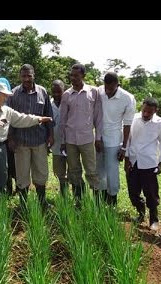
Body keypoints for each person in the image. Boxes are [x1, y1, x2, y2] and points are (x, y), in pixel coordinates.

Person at [0, 82, 53, 199]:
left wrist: (38, 119)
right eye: (4, 95)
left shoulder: (7, 111)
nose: (6, 98)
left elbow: (22, 118)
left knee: (1, 177)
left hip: (1, 148)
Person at [8, 64, 54, 208]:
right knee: (22, 175)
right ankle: (23, 204)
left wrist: (51, 135)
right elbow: (9, 118)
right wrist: (10, 138)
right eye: (24, 76)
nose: (27, 79)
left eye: (29, 75)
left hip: (39, 139)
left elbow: (49, 115)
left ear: (34, 75)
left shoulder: (42, 92)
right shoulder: (14, 93)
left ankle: (42, 202)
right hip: (20, 142)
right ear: (20, 76)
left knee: (41, 173)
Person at [60, 64, 102, 204]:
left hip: (87, 139)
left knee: (91, 171)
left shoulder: (93, 92)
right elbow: (63, 119)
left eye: (76, 76)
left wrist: (98, 138)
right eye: (71, 75)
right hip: (71, 140)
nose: (73, 78)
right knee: (74, 171)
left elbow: (98, 117)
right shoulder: (66, 94)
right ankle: (79, 201)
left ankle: (97, 203)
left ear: (83, 76)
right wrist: (62, 141)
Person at [124, 98, 161, 231]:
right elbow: (127, 138)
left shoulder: (160, 123)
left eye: (149, 112)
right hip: (133, 160)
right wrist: (126, 159)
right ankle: (141, 213)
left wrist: (160, 163)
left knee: (151, 193)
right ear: (141, 107)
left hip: (149, 162)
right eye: (144, 110)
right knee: (133, 191)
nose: (146, 114)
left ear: (155, 111)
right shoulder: (134, 118)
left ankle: (154, 219)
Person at [96, 71, 136, 205]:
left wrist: (124, 147)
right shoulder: (99, 91)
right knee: (99, 171)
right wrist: (97, 138)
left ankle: (112, 201)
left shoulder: (127, 98)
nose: (107, 91)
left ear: (117, 85)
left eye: (110, 88)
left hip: (114, 140)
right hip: (98, 138)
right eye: (105, 88)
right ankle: (99, 201)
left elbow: (127, 124)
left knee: (112, 172)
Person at [0, 77, 16, 195]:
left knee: (14, 164)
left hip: (12, 138)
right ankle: (7, 188)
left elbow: (15, 120)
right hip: (1, 139)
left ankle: (18, 187)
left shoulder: (11, 102)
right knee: (4, 165)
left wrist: (12, 137)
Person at [50, 80, 68, 196]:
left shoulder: (69, 102)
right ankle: (64, 194)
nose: (56, 94)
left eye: (59, 92)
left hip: (70, 142)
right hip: (55, 143)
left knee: (73, 171)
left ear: (64, 90)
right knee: (59, 171)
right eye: (54, 92)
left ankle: (78, 197)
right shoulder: (49, 104)